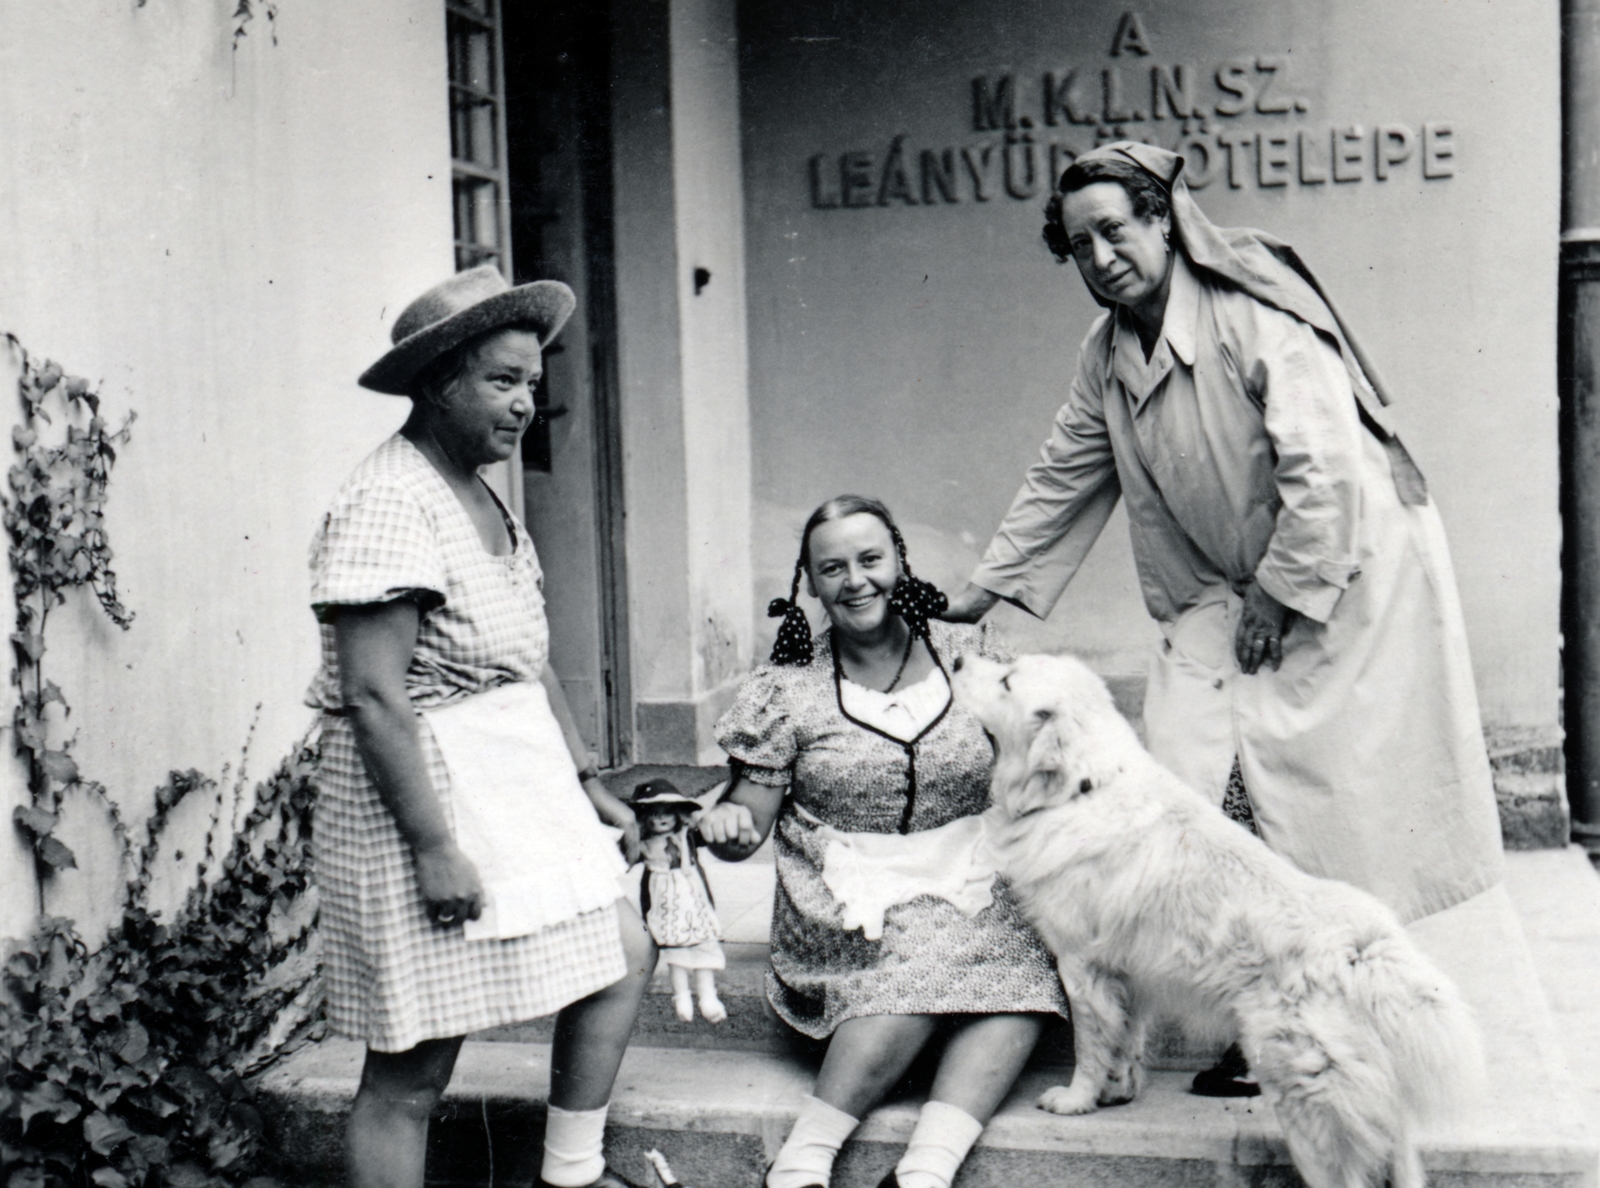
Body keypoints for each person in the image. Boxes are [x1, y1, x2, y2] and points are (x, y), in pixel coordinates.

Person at [942, 141, 1505, 1094]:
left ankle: (1327, 1019)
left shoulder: (1255, 315)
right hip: (1224, 588)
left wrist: (1283, 595)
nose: (1102, 256)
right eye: (1078, 244)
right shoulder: (1107, 352)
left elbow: (1324, 471)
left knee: (1328, 803)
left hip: (1343, 574)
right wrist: (985, 588)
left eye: (1116, 229)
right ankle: (1255, 1006)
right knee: (1200, 773)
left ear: (1163, 220)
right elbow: (1064, 473)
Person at [306, 265, 655, 1188]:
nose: (525, 406)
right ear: (437, 383)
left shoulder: (483, 491)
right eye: (502, 382)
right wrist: (433, 847)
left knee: (622, 952)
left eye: (533, 384)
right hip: (416, 806)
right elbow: (373, 696)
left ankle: (569, 1175)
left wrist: (586, 784)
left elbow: (526, 654)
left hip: (513, 786)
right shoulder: (391, 499)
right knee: (413, 1072)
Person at [698, 496, 1068, 1188]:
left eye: (871, 559)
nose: (855, 580)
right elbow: (745, 821)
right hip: (848, 891)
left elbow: (1042, 754)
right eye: (832, 567)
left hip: (975, 872)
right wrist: (724, 827)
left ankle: (924, 1173)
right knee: (914, 955)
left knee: (1023, 975)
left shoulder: (972, 656)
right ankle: (802, 1164)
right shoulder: (788, 689)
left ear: (901, 560)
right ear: (808, 583)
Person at [632, 778, 728, 1024]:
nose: (661, 818)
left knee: (702, 943)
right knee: (676, 949)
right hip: (664, 898)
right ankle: (681, 996)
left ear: (678, 815)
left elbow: (711, 835)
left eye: (667, 813)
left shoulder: (687, 836)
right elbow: (625, 859)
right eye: (654, 813)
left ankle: (708, 996)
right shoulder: (644, 844)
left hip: (691, 894)